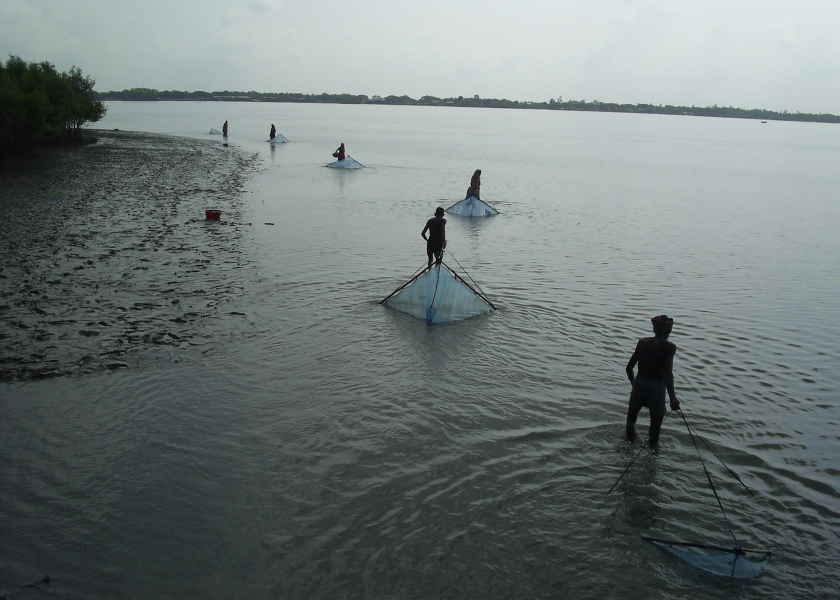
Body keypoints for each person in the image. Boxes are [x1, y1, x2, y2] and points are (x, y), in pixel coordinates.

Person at [625, 315, 680, 449]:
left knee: (630, 424)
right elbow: (668, 374)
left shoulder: (642, 342)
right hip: (656, 390)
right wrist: (673, 398)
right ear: (668, 331)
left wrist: (634, 384)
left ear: (654, 328)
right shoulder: (669, 347)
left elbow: (629, 368)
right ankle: (652, 460)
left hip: (639, 385)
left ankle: (627, 448)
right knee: (654, 435)